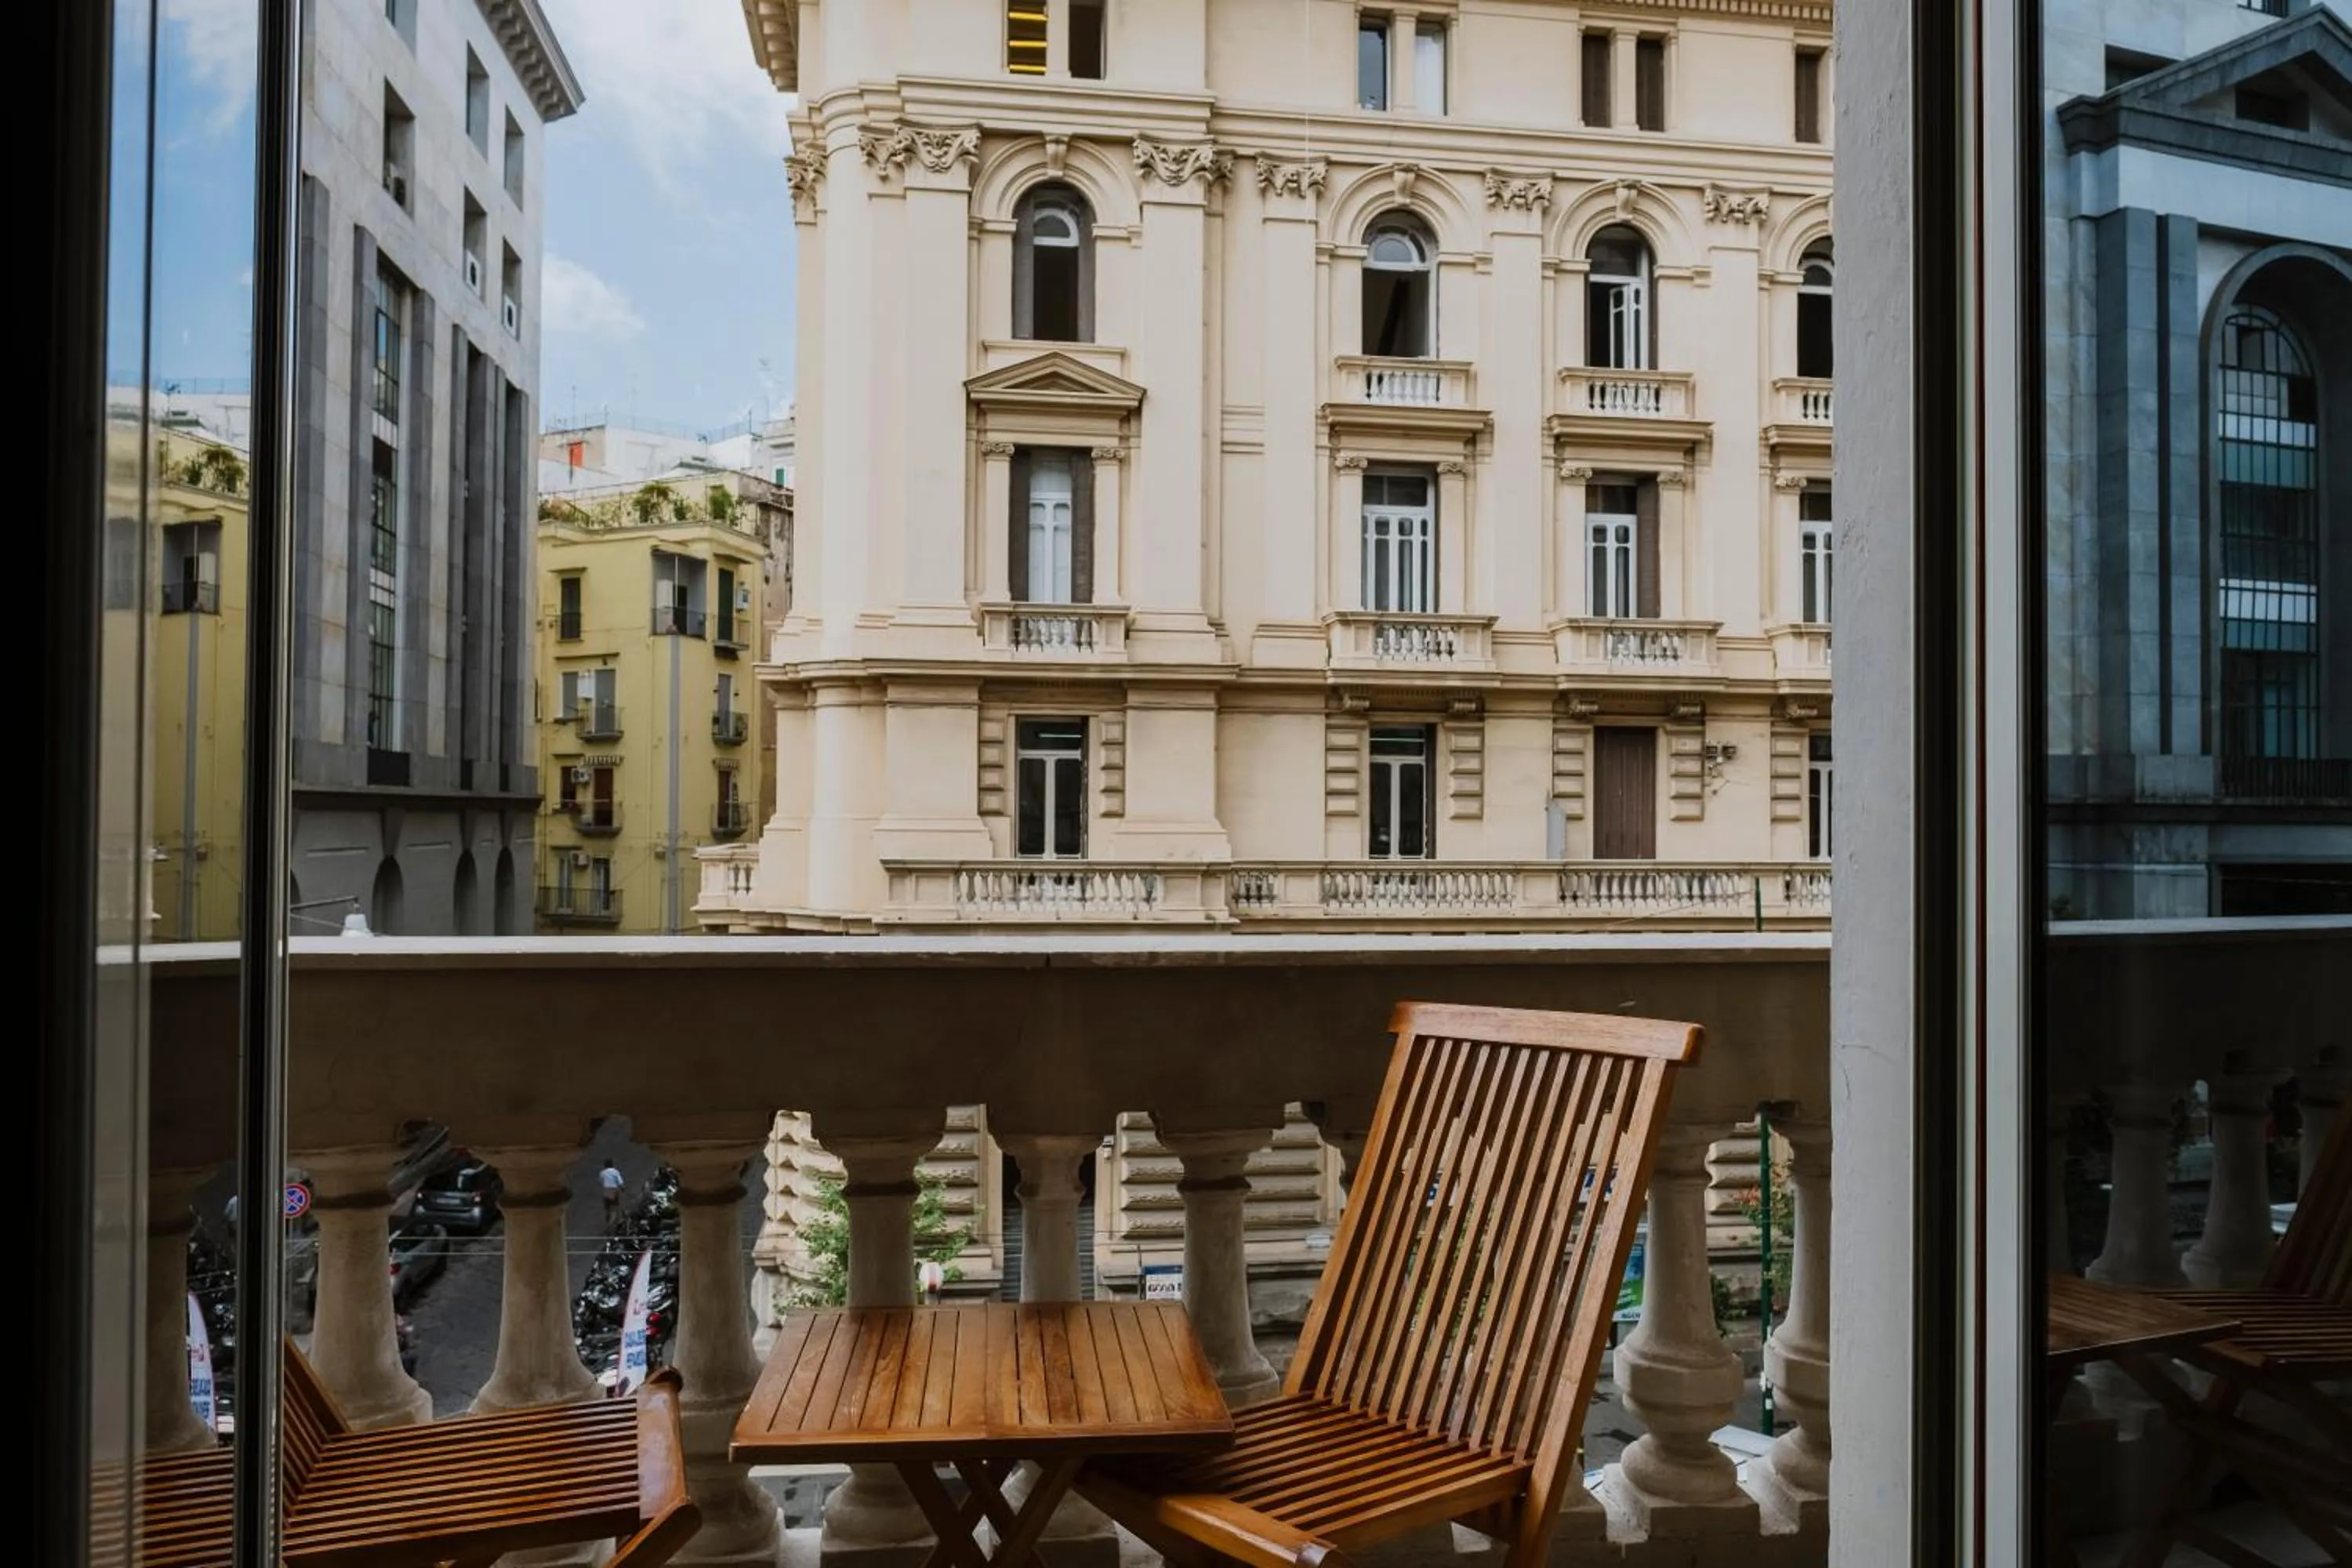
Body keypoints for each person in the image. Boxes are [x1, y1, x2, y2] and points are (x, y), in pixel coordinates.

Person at [599, 1160, 626, 1232]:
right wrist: (623, 1189)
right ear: (612, 1165)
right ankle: (611, 1225)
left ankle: (608, 1219)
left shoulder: (602, 1173)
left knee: (608, 1210)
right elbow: (620, 1183)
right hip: (614, 1191)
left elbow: (601, 1181)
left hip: (606, 1191)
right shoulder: (615, 1172)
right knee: (615, 1209)